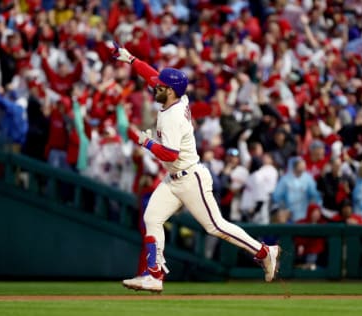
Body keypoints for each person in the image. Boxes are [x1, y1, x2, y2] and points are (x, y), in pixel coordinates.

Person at [111, 44, 280, 293]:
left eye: (161, 85)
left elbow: (170, 153)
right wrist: (131, 59)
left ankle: (265, 251)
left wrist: (145, 142)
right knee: (152, 218)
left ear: (170, 90)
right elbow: (150, 74)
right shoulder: (175, 98)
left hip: (191, 177)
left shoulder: (173, 116)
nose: (155, 85)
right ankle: (154, 275)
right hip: (174, 177)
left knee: (216, 226)